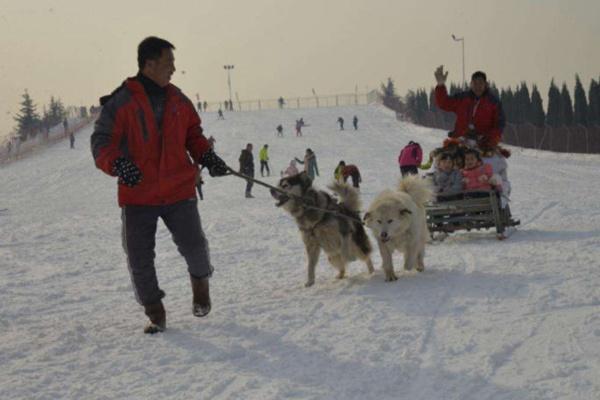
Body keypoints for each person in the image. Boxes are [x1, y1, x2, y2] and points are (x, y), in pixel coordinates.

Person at [90, 36, 229, 334]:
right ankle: (155, 310)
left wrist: (207, 156)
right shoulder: (122, 101)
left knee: (195, 247)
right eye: (168, 63)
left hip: (179, 189)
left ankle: (201, 288)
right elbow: (101, 142)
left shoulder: (178, 99)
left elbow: (193, 133)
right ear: (149, 64)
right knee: (139, 257)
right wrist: (118, 165)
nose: (173, 69)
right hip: (138, 195)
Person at [434, 65, 505, 151]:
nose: (477, 87)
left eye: (480, 83)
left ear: (485, 84)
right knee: (441, 160)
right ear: (471, 84)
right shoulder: (462, 98)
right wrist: (440, 85)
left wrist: (488, 140)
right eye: (475, 83)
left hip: (483, 146)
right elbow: (444, 103)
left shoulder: (493, 102)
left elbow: (499, 125)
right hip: (460, 143)